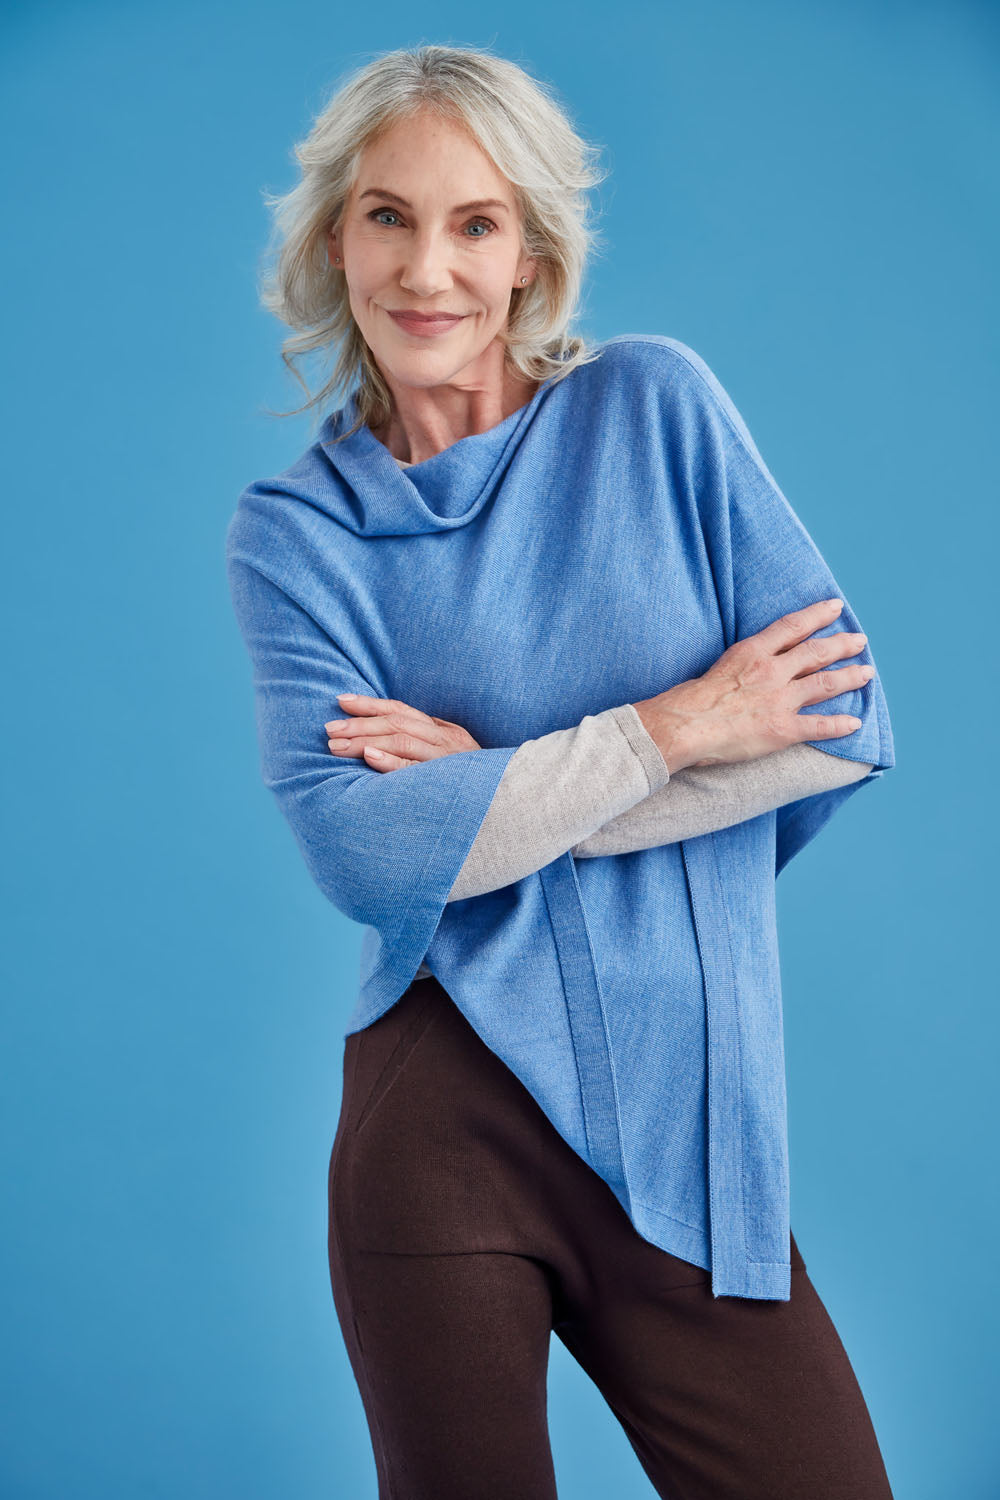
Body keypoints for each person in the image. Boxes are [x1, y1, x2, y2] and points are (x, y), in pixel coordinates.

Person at [226, 44, 896, 1500]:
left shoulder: (656, 411)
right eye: (388, 216)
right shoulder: (296, 534)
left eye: (474, 223)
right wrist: (672, 726)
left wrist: (501, 790)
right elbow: (367, 855)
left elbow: (837, 724)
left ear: (529, 252)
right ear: (335, 235)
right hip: (436, 1118)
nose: (429, 270)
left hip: (694, 1120)